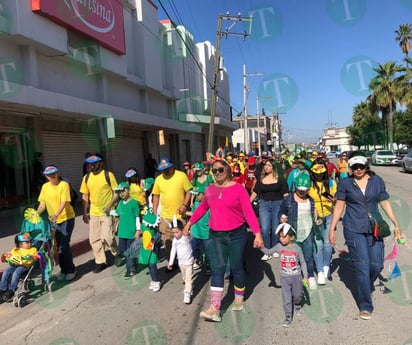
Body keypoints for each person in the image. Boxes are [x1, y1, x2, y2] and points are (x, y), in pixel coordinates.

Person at [183, 158, 264, 322]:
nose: (217, 173)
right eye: (214, 170)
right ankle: (215, 308)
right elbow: (202, 208)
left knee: (237, 267)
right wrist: (189, 224)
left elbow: (248, 212)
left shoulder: (239, 189)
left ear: (227, 171)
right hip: (216, 235)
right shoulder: (210, 189)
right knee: (217, 269)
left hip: (237, 234)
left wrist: (257, 234)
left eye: (220, 170)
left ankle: (239, 297)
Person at [328, 155, 402, 320]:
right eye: (355, 167)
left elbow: (385, 203)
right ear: (351, 169)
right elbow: (339, 205)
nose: (358, 169)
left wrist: (396, 224)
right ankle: (365, 305)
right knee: (362, 266)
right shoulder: (346, 183)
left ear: (366, 166)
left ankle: (366, 285)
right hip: (354, 228)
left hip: (375, 227)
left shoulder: (377, 181)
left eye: (361, 166)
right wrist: (332, 228)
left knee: (376, 265)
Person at [261, 223, 308, 328]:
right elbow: (269, 252)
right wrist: (261, 247)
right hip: (284, 278)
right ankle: (288, 317)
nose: (281, 239)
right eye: (280, 236)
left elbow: (303, 262)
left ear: (291, 237)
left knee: (297, 295)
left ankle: (297, 305)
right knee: (286, 299)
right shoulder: (278, 247)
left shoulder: (297, 248)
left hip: (297, 277)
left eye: (284, 236)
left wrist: (305, 276)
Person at [279, 173, 321, 290]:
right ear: (295, 187)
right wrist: (282, 217)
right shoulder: (288, 200)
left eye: (305, 190)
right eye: (300, 189)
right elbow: (281, 210)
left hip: (308, 231)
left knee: (308, 256)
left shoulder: (310, 200)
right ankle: (296, 278)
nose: (302, 192)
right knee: (294, 256)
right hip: (294, 233)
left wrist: (317, 220)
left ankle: (310, 276)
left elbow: (314, 214)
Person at [80, 153, 120, 273]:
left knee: (108, 236)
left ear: (101, 163)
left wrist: (110, 205)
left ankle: (116, 253)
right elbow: (85, 195)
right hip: (93, 212)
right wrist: (84, 212)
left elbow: (116, 192)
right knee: (94, 239)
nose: (92, 166)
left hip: (107, 212)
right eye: (90, 164)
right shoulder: (86, 177)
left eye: (94, 163)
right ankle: (100, 262)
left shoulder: (108, 175)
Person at [37, 165, 77, 281]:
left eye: (54, 174)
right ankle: (64, 270)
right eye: (49, 175)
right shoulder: (45, 187)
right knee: (58, 247)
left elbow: (64, 202)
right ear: (46, 177)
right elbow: (42, 204)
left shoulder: (63, 185)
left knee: (64, 245)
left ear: (57, 173)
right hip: (53, 221)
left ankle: (71, 270)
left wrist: (56, 214)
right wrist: (36, 214)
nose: (52, 177)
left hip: (66, 218)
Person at [152, 157, 192, 264]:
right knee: (167, 240)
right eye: (163, 169)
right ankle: (172, 261)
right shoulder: (159, 179)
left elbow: (189, 191)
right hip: (165, 216)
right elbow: (155, 196)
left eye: (168, 168)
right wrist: (155, 212)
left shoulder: (181, 176)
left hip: (179, 215)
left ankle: (184, 260)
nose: (166, 171)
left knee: (182, 239)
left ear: (172, 166)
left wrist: (185, 205)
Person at [250, 159, 289, 259]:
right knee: (265, 228)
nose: (266, 167)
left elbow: (286, 194)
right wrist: (246, 203)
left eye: (269, 165)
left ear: (274, 168)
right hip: (264, 205)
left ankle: (275, 248)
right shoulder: (261, 179)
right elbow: (255, 193)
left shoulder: (280, 179)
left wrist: (287, 209)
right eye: (266, 165)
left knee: (275, 228)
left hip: (278, 205)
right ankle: (267, 251)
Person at [308, 159, 337, 285]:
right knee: (317, 244)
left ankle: (326, 266)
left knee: (328, 243)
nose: (318, 174)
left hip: (329, 216)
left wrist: (334, 200)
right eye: (316, 171)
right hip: (314, 217)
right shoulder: (309, 184)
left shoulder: (331, 183)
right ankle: (319, 271)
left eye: (321, 171)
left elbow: (337, 201)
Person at [0, 233, 38, 303]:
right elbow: (10, 255)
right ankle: (2, 289)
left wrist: (31, 256)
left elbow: (35, 256)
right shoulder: (16, 249)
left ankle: (12, 290)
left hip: (25, 266)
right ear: (20, 244)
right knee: (6, 272)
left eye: (30, 242)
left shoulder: (32, 249)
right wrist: (6, 256)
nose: (29, 243)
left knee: (16, 273)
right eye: (27, 242)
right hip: (14, 265)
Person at [114, 182, 141, 278]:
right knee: (122, 250)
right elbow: (117, 213)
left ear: (128, 190)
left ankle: (131, 269)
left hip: (131, 232)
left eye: (123, 190)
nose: (121, 193)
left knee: (129, 251)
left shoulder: (134, 203)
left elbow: (137, 217)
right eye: (119, 192)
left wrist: (138, 230)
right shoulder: (120, 203)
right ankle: (134, 260)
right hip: (122, 232)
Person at [168, 218, 194, 304]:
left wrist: (188, 233)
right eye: (173, 233)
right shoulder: (175, 240)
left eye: (177, 232)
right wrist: (171, 262)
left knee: (188, 279)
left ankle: (187, 293)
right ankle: (190, 286)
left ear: (181, 230)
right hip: (181, 263)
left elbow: (191, 237)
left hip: (189, 262)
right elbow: (173, 251)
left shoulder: (185, 237)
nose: (175, 235)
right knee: (184, 278)